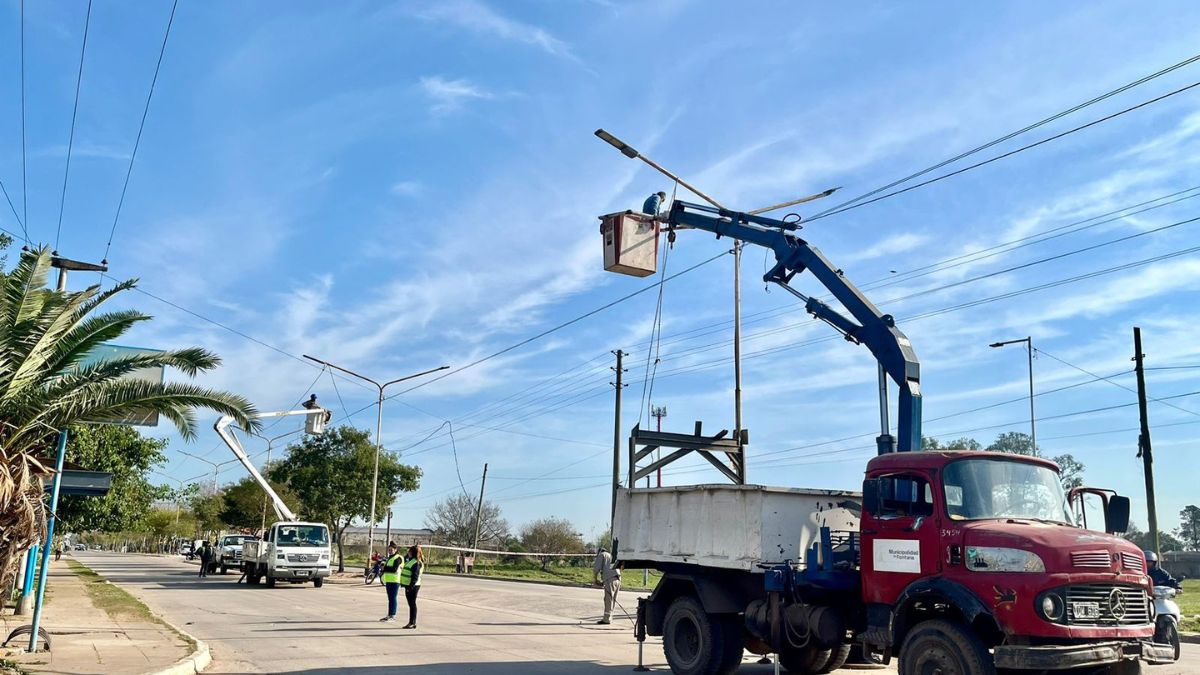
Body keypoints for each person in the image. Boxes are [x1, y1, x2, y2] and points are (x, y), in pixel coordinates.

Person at [592, 546, 622, 624]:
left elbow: (596, 568)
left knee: (608, 599)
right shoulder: (612, 555)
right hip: (617, 578)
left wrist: (595, 580)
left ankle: (606, 619)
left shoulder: (602, 555)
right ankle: (610, 617)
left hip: (610, 579)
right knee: (613, 599)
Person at [401, 545, 424, 629]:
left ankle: (412, 622)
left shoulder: (416, 563)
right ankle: (411, 622)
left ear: (412, 553)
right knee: (411, 604)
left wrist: (410, 587)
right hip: (409, 585)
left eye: (409, 551)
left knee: (412, 604)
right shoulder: (411, 561)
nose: (408, 553)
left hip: (413, 586)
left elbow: (415, 576)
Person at [380, 543, 403, 622]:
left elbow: (394, 569)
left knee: (393, 598)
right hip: (389, 581)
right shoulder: (390, 558)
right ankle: (389, 614)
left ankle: (392, 615)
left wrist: (384, 568)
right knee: (390, 599)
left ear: (395, 550)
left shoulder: (398, 558)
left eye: (391, 550)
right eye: (389, 550)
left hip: (395, 581)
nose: (389, 551)